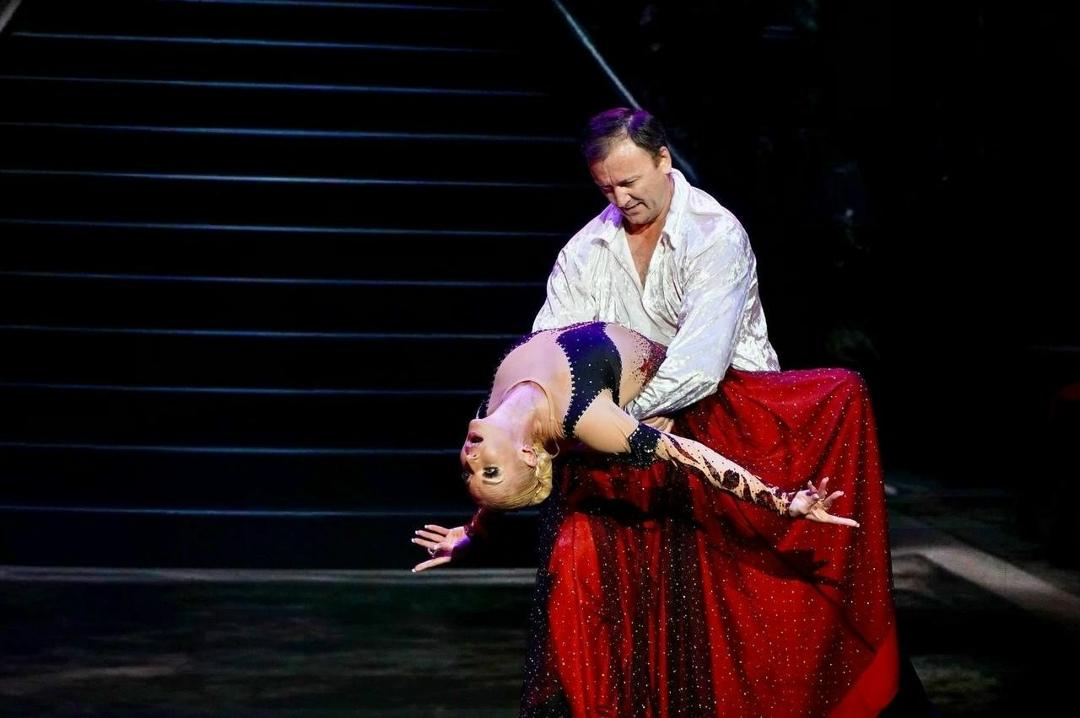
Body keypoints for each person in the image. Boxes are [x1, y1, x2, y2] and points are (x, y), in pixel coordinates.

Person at [412, 109, 905, 716]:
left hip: (719, 411)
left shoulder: (715, 234)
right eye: (606, 188)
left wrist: (620, 420)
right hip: (615, 425)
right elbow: (525, 417)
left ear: (663, 160)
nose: (620, 199)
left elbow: (700, 366)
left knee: (731, 612)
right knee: (583, 580)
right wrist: (480, 525)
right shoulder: (584, 252)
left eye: (629, 182)